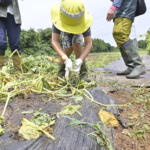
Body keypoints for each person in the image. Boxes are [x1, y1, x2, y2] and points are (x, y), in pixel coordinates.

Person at [51, 0, 93, 81]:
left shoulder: (84, 21)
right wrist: (65, 59)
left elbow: (89, 43)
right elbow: (54, 41)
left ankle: (82, 72)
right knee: (68, 48)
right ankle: (62, 73)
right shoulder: (58, 18)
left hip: (79, 27)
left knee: (77, 44)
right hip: (64, 28)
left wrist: (81, 59)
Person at [106, 0, 145, 79]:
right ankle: (131, 66)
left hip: (126, 9)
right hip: (121, 10)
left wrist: (113, 7)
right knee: (117, 35)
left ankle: (138, 65)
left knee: (121, 34)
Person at [0, 0, 22, 71]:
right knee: (1, 42)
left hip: (13, 16)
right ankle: (1, 72)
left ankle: (18, 71)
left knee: (15, 44)